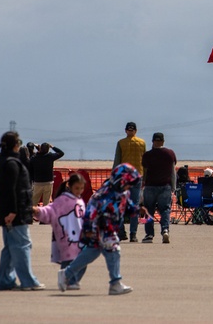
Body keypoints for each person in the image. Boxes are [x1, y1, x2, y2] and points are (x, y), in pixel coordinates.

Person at [61, 164, 139, 294]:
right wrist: (88, 229)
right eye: (128, 183)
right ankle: (115, 283)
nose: (129, 186)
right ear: (120, 180)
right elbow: (92, 212)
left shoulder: (122, 192)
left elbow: (127, 205)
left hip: (107, 228)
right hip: (101, 228)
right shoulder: (105, 193)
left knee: (89, 254)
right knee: (114, 251)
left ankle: (66, 274)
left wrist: (135, 210)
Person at [0, 131, 44, 291]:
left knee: (10, 247)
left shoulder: (2, 161)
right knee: (23, 245)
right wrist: (14, 211)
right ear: (15, 144)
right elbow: (12, 190)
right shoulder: (11, 163)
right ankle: (28, 280)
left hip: (6, 211)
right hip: (15, 213)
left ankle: (4, 280)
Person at [32, 173, 86, 290]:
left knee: (82, 261)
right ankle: (68, 281)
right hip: (66, 236)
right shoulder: (62, 200)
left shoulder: (79, 201)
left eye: (81, 188)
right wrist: (38, 211)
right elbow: (50, 210)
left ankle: (72, 280)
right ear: (70, 186)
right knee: (68, 260)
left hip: (80, 237)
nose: (79, 191)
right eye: (77, 188)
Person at [139, 132, 177, 244]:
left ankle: (149, 235)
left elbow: (144, 172)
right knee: (165, 209)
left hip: (150, 186)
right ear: (163, 141)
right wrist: (173, 187)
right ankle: (165, 230)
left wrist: (142, 186)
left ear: (153, 141)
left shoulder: (147, 155)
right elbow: (172, 172)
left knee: (148, 210)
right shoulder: (170, 154)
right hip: (165, 186)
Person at [113, 121, 145, 242]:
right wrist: (145, 177)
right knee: (135, 205)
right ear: (135, 131)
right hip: (137, 176)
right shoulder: (142, 143)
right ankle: (133, 234)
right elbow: (144, 162)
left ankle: (121, 231)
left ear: (126, 130)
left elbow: (117, 161)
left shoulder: (121, 143)